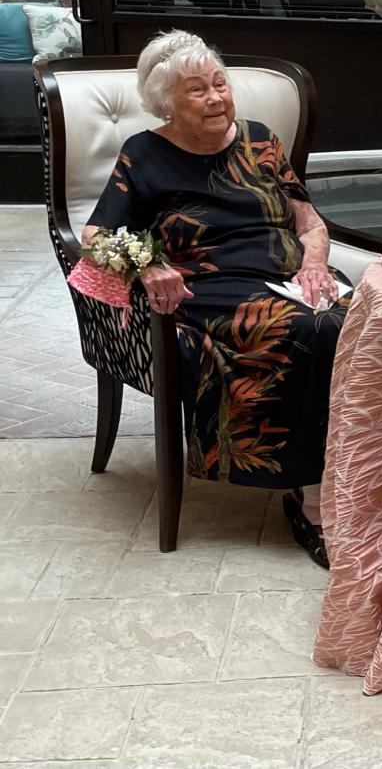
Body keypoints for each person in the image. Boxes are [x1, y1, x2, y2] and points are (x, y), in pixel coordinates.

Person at [82, 30, 348, 566]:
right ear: (166, 102)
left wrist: (316, 263)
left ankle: (365, 479)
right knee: (307, 330)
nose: (216, 98)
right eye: (197, 90)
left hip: (292, 275)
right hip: (209, 285)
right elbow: (94, 237)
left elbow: (307, 219)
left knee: (369, 321)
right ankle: (312, 499)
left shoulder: (261, 138)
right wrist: (149, 265)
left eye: (220, 84)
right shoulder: (145, 154)